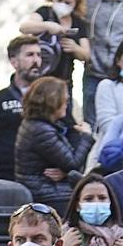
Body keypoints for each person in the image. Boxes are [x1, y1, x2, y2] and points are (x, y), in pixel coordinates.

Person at [15, 76, 93, 210]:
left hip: (49, 190)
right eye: (65, 100)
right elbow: (73, 163)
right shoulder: (41, 130)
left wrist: (67, 173)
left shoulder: (41, 125)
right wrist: (86, 136)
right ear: (52, 101)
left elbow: (68, 163)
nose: (67, 104)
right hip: (49, 194)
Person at [0, 37, 41, 182]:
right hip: (6, 177)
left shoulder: (52, 96)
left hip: (42, 178)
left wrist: (63, 168)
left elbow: (71, 130)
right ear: (14, 62)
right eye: (30, 55)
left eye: (39, 54)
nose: (36, 60)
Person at [20, 0, 91, 87]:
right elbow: (24, 27)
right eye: (59, 0)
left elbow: (86, 54)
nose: (63, 5)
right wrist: (47, 26)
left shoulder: (78, 22)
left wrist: (75, 48)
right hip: (39, 78)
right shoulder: (45, 12)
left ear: (75, 3)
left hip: (63, 81)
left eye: (68, 3)